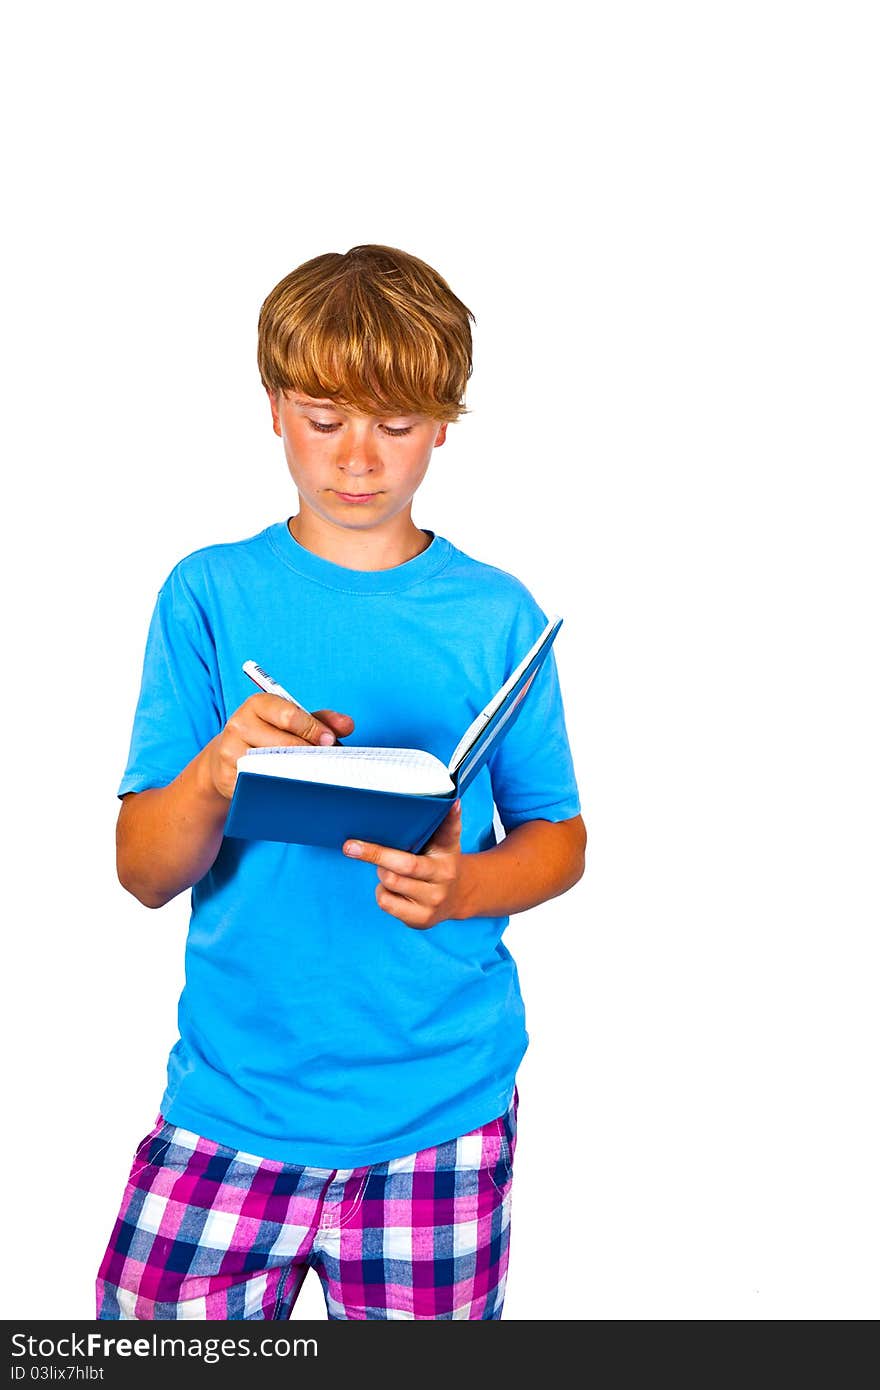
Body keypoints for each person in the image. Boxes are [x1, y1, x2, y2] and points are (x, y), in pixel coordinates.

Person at [96, 244, 586, 1321]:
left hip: (438, 1111)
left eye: (396, 425)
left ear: (445, 422)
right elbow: (141, 872)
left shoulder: (496, 615)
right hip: (231, 1104)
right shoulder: (208, 593)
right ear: (273, 408)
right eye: (325, 418)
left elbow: (559, 835)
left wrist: (465, 887)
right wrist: (221, 770)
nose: (359, 457)